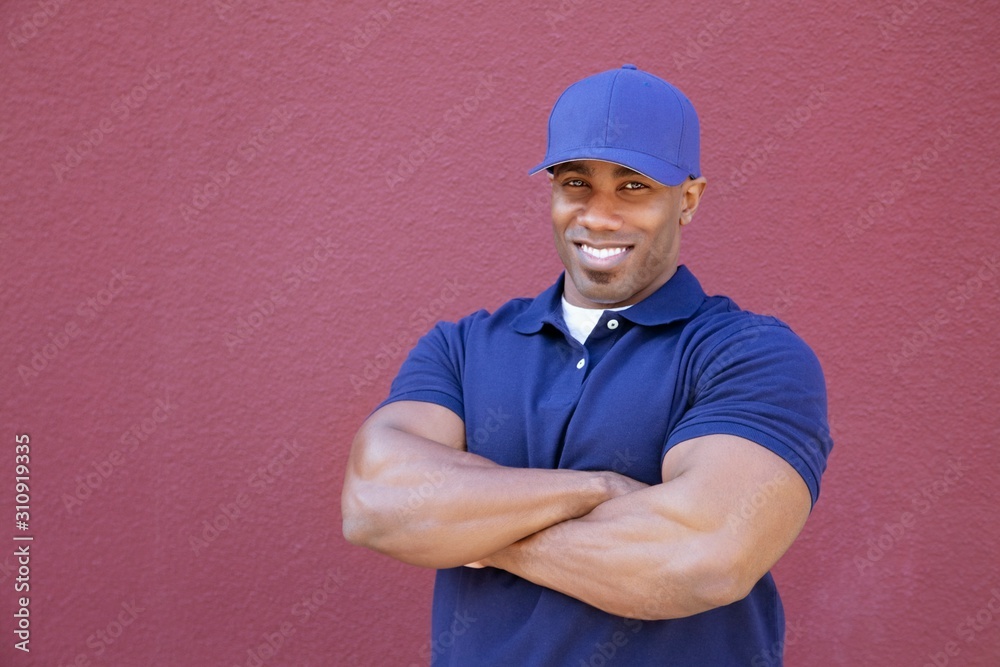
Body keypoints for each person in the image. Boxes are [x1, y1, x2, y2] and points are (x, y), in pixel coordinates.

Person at [342, 64, 832, 666]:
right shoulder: (463, 347)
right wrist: (598, 490)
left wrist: (477, 534)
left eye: (633, 186)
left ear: (689, 199)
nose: (598, 216)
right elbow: (375, 505)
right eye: (576, 182)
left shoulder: (748, 354)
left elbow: (702, 558)